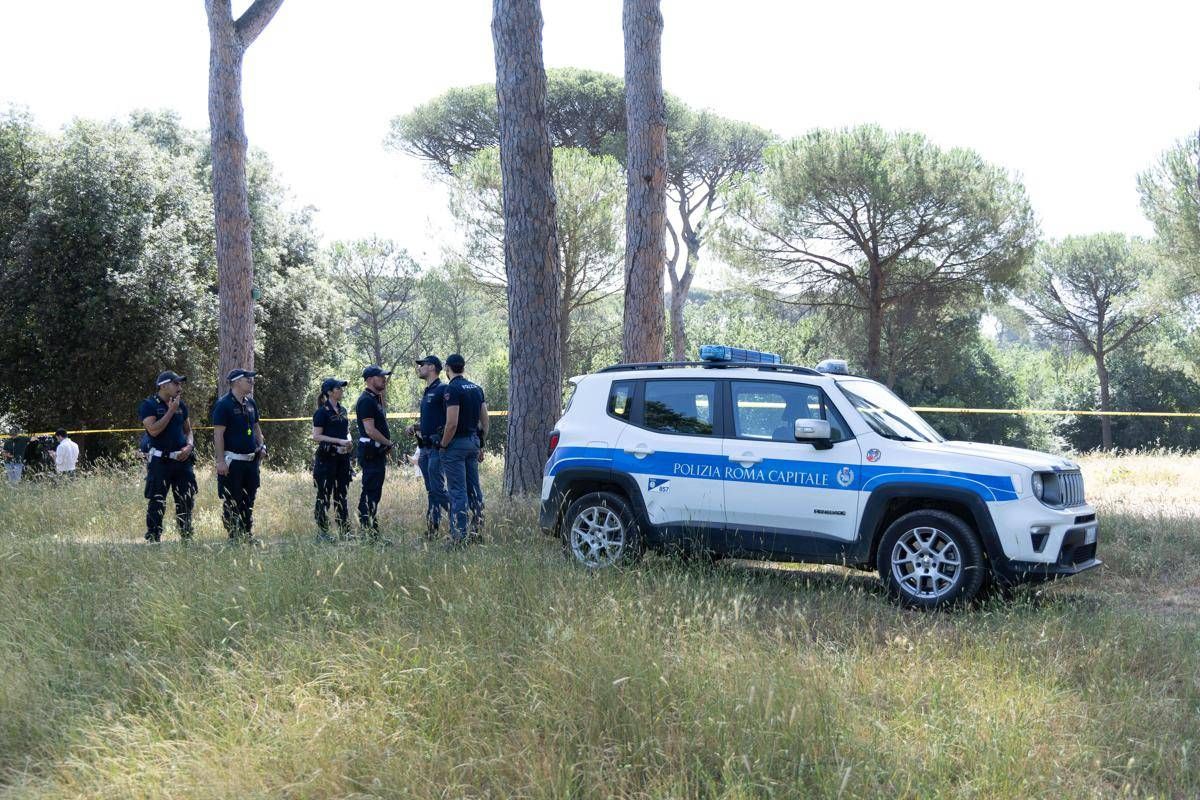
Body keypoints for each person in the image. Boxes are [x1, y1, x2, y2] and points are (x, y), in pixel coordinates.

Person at [139, 371, 197, 542]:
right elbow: (153, 430)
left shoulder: (181, 405)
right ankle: (153, 538)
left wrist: (189, 446)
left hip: (182, 461)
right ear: (163, 386)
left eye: (180, 383)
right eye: (176, 383)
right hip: (160, 462)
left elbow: (188, 431)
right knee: (157, 501)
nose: (180, 387)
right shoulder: (149, 405)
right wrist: (171, 410)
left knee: (186, 499)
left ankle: (186, 536)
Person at [438, 353, 488, 547]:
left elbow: (451, 423)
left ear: (447, 368)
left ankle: (459, 536)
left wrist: (443, 445)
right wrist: (480, 443)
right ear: (463, 367)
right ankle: (477, 530)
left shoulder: (452, 389)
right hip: (473, 442)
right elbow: (485, 421)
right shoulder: (476, 388)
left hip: (456, 445)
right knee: (474, 488)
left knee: (457, 491)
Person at [212, 368, 266, 543]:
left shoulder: (251, 403)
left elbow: (256, 427)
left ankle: (247, 534)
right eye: (247, 379)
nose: (251, 382)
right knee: (232, 499)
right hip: (233, 462)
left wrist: (262, 445)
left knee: (249, 499)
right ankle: (234, 537)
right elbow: (218, 434)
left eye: (251, 379)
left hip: (251, 461)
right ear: (236, 382)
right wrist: (220, 461)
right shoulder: (223, 404)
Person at [404, 355, 449, 540]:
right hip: (424, 448)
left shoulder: (443, 389)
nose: (419, 368)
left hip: (437, 448)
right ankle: (432, 530)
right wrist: (415, 427)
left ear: (431, 367)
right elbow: (431, 421)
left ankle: (461, 519)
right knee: (431, 491)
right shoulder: (428, 391)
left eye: (422, 365)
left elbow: (450, 419)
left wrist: (443, 441)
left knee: (438, 489)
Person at [355, 365, 395, 544]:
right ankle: (368, 533)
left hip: (377, 453)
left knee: (374, 492)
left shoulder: (375, 399)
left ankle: (372, 531)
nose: (384, 379)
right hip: (371, 452)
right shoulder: (366, 401)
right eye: (381, 376)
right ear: (370, 379)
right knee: (370, 492)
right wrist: (388, 443)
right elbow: (370, 430)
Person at [312, 377, 354, 543]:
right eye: (338, 388)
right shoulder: (322, 412)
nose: (341, 390)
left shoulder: (343, 410)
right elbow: (316, 436)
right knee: (324, 495)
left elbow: (346, 431)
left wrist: (348, 442)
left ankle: (344, 530)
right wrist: (338, 442)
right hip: (326, 459)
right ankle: (322, 532)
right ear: (329, 392)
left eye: (342, 388)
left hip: (343, 459)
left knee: (341, 494)